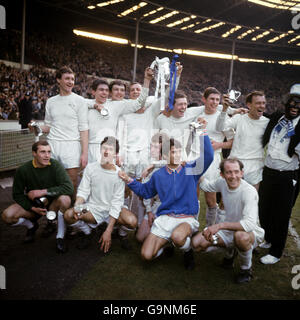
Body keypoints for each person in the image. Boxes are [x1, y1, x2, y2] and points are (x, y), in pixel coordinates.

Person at [118, 123, 214, 270]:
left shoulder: (191, 170)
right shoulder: (158, 175)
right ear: (164, 156)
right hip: (164, 218)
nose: (177, 155)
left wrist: (202, 131)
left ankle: (188, 251)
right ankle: (167, 243)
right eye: (173, 152)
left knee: (177, 236)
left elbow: (208, 156)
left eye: (179, 151)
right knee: (146, 255)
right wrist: (128, 180)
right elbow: (145, 192)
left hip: (186, 218)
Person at [192, 158, 264, 283]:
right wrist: (196, 170)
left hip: (249, 232)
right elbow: (207, 186)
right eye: (229, 172)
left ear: (242, 173)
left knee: (240, 237)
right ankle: (231, 251)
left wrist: (219, 226)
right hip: (228, 230)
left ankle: (246, 269)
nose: (233, 176)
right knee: (196, 244)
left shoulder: (249, 192)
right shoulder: (221, 182)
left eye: (236, 172)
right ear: (222, 174)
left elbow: (249, 224)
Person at [64, 136, 138, 252]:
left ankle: (121, 234)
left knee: (132, 221)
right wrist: (78, 206)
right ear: (100, 149)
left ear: (116, 154)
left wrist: (108, 231)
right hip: (93, 209)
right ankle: (88, 233)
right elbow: (83, 191)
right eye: (104, 148)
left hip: (114, 210)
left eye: (110, 149)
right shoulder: (90, 168)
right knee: (68, 215)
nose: (106, 151)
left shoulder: (119, 174)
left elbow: (117, 203)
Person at [1, 141, 74, 253]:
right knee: (7, 216)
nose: (47, 155)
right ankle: (31, 226)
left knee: (65, 199)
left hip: (52, 205)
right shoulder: (23, 170)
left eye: (49, 152)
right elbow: (17, 194)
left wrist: (42, 191)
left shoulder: (55, 166)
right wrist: (31, 207)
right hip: (34, 206)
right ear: (34, 153)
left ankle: (60, 236)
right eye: (43, 152)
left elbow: (69, 188)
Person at [30, 66, 89, 197]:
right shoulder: (51, 101)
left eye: (72, 79)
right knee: (51, 181)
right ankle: (55, 214)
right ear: (58, 80)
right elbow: (49, 126)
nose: (70, 82)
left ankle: (70, 214)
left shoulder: (80, 101)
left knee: (71, 182)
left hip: (72, 146)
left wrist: (84, 153)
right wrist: (36, 127)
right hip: (53, 145)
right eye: (67, 78)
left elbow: (84, 129)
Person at [258, 84, 300, 265]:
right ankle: (268, 239)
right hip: (268, 172)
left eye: (298, 104)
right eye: (292, 102)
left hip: (287, 175)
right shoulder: (277, 117)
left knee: (281, 214)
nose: (295, 106)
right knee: (264, 208)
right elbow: (260, 119)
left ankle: (276, 251)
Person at [86, 67, 153, 164]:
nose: (119, 93)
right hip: (91, 147)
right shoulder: (95, 103)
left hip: (110, 149)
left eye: (122, 90)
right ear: (110, 92)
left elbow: (140, 102)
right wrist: (95, 105)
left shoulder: (122, 105)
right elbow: (81, 102)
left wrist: (147, 80)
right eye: (116, 90)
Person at [216, 91, 269, 190]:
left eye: (263, 103)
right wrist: (224, 109)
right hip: (235, 164)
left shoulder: (267, 122)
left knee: (250, 201)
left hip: (255, 167)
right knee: (227, 202)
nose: (262, 106)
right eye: (258, 103)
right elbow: (219, 127)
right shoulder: (239, 118)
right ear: (249, 105)